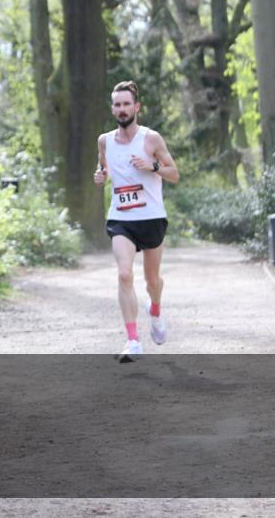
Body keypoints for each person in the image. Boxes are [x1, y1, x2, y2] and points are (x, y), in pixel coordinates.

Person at [94, 80, 179, 363]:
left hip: (151, 217)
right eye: (117, 104)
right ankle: (132, 340)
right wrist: (100, 175)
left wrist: (152, 166)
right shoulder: (104, 141)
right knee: (124, 274)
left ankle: (155, 309)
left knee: (152, 280)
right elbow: (103, 167)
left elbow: (174, 173)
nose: (122, 109)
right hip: (121, 218)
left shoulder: (151, 139)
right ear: (112, 108)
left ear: (136, 107)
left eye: (126, 104)